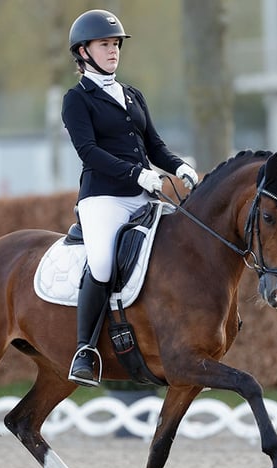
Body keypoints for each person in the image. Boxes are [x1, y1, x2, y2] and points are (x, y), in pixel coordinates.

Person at [62, 9, 198, 387]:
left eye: (116, 44)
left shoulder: (132, 94)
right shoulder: (76, 100)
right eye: (105, 44)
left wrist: (179, 167)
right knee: (103, 263)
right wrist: (136, 173)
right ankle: (84, 351)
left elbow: (154, 145)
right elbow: (88, 152)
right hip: (103, 199)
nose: (113, 51)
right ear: (84, 52)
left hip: (143, 196)